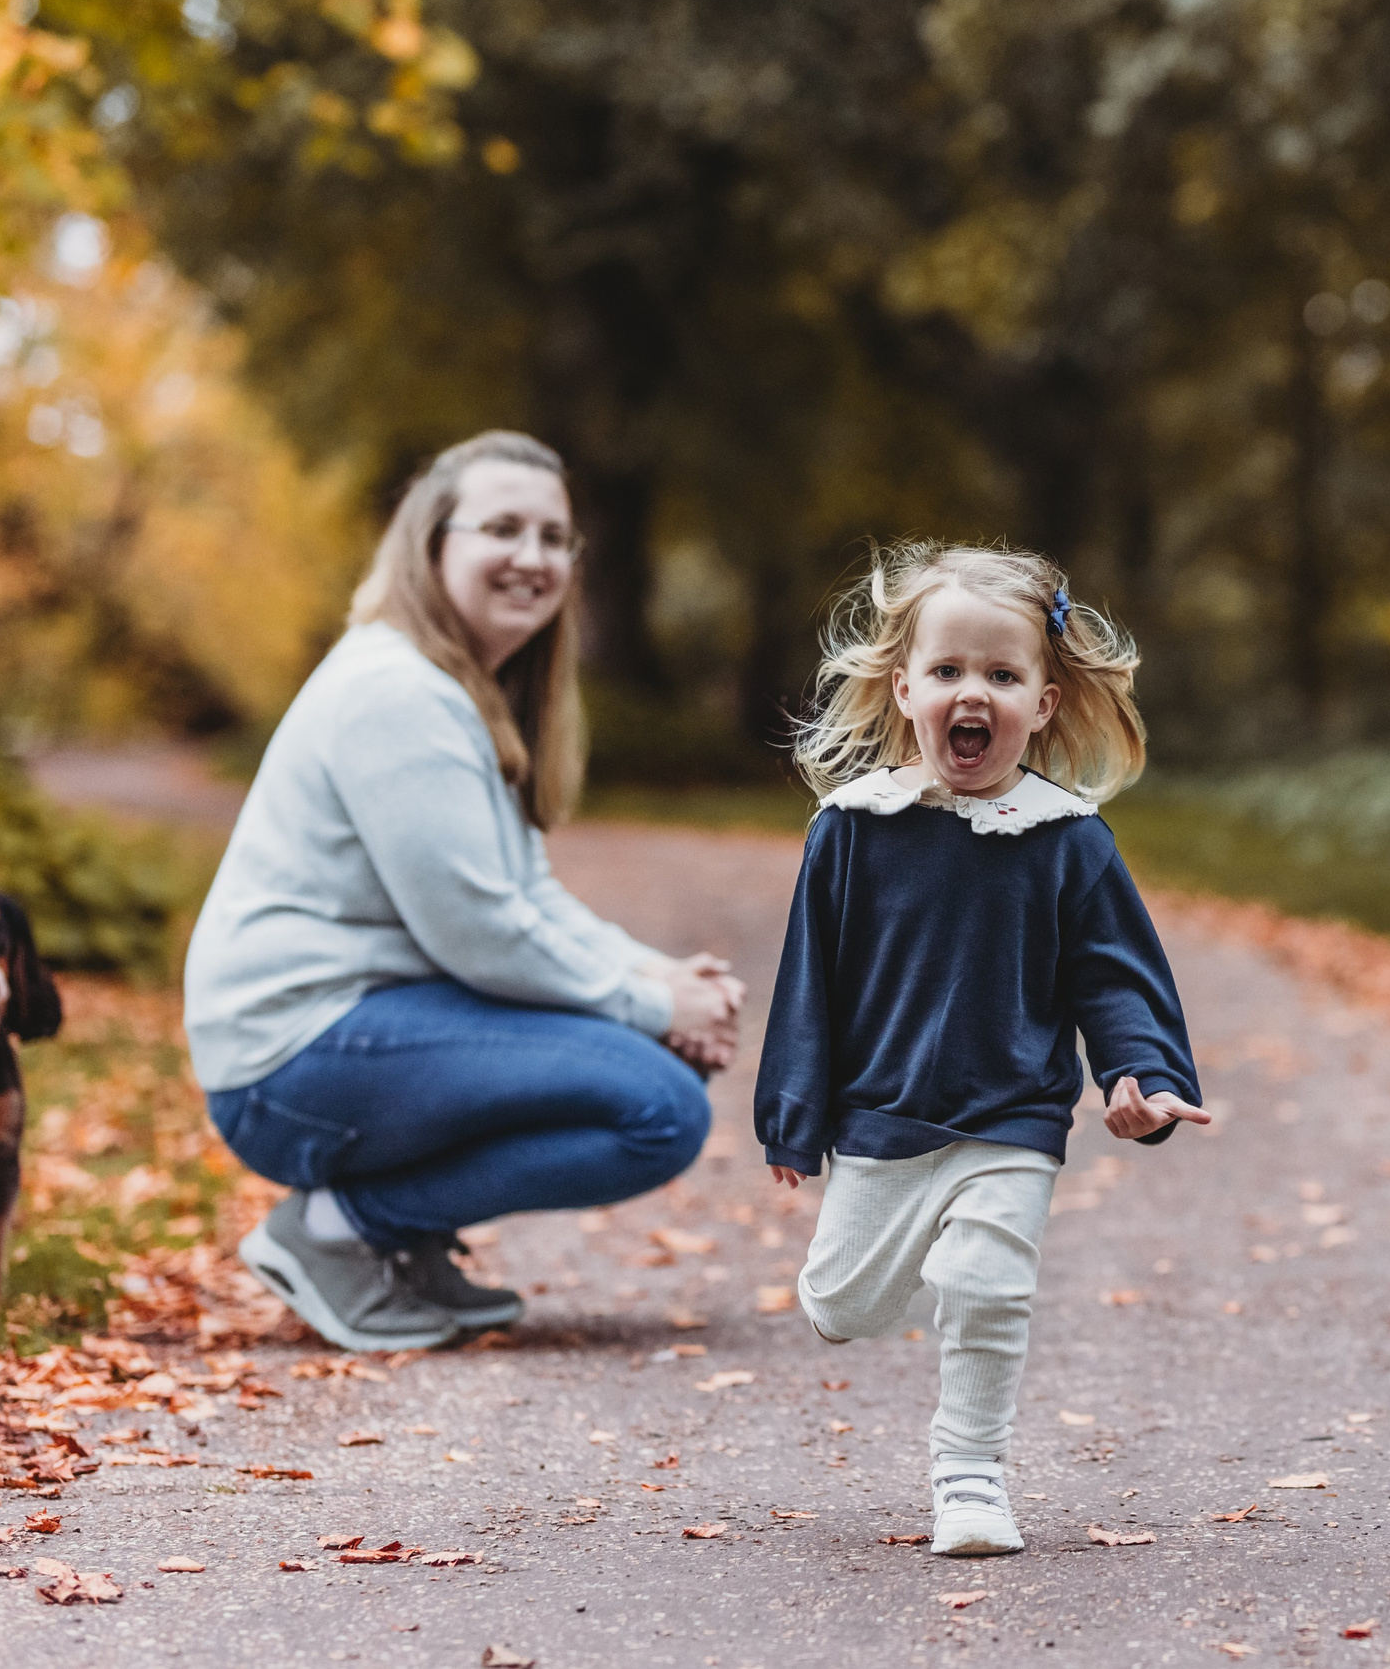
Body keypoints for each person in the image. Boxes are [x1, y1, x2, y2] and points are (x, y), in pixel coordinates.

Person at [186, 431, 744, 1352]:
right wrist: (652, 1006)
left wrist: (665, 975)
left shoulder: (460, 689)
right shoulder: (397, 691)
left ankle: (392, 1239)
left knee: (659, 1072)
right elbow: (480, 934)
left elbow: (526, 896)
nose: (533, 556)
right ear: (433, 543)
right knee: (659, 1108)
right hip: (290, 1058)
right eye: (504, 528)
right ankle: (339, 1227)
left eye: (553, 536)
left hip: (356, 1029)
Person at [752, 544, 1206, 1558]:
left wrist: (1144, 1079)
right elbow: (809, 982)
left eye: (1002, 674)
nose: (974, 693)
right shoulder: (853, 829)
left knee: (988, 1284)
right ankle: (921, 1262)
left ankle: (970, 1476)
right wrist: (792, 1115)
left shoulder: (1067, 839)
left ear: (1042, 705)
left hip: (1011, 1116)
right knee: (842, 1306)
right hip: (882, 1115)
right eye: (949, 669)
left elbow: (1116, 980)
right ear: (905, 689)